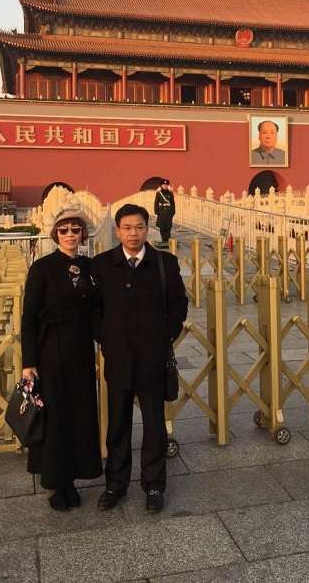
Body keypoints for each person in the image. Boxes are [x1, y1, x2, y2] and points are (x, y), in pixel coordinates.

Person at [92, 203, 187, 513]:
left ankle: (154, 485)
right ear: (117, 231)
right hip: (118, 357)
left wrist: (164, 336)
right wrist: (105, 338)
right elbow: (94, 308)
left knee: (154, 423)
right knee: (117, 424)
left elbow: (178, 304)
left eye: (139, 227)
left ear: (148, 229)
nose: (133, 233)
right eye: (127, 228)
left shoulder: (164, 263)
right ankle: (115, 484)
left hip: (152, 358)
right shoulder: (102, 265)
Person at [21, 209, 102, 511]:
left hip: (81, 350)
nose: (70, 235)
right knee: (55, 415)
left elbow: (100, 307)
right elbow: (29, 317)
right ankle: (58, 482)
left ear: (83, 234)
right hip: (51, 351)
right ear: (55, 234)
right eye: (64, 230)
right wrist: (29, 361)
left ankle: (75, 475)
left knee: (80, 413)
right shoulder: (42, 268)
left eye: (75, 230)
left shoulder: (90, 266)